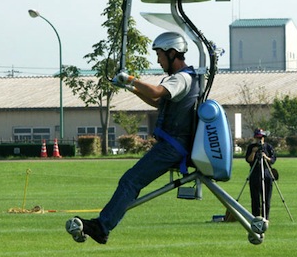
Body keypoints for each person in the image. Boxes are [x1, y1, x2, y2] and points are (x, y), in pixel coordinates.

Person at [66, 32, 200, 244]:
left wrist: (131, 78)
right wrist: (130, 88)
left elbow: (156, 93)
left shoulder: (182, 78)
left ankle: (102, 227)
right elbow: (158, 103)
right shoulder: (180, 79)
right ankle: (102, 225)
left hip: (172, 146)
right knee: (130, 181)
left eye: (159, 55)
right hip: (172, 145)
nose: (158, 60)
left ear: (172, 53)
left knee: (130, 181)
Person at [245, 128, 276, 220]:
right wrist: (254, 152)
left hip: (266, 173)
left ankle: (265, 217)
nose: (259, 140)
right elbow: (249, 160)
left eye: (261, 137)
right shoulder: (251, 147)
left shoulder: (268, 147)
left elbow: (273, 160)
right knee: (255, 198)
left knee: (266, 198)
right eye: (258, 138)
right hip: (255, 173)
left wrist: (265, 157)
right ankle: (255, 217)